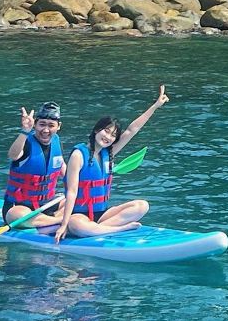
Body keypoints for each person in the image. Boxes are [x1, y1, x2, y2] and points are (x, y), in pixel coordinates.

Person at [53, 87, 169, 241]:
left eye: (113, 135)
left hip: (102, 214)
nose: (108, 137)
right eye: (106, 131)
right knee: (76, 225)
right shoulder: (78, 155)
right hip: (80, 215)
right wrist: (64, 224)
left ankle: (98, 229)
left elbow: (132, 130)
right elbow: (72, 192)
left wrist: (155, 106)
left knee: (142, 206)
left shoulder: (108, 153)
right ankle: (119, 229)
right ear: (97, 130)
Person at [3, 102, 68, 229]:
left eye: (51, 125)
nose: (46, 130)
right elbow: (13, 156)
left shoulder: (56, 141)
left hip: (47, 205)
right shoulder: (26, 143)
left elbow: (62, 168)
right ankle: (60, 220)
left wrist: (76, 190)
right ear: (35, 124)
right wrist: (25, 131)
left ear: (58, 126)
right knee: (16, 214)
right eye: (42, 124)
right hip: (20, 206)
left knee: (75, 201)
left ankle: (48, 220)